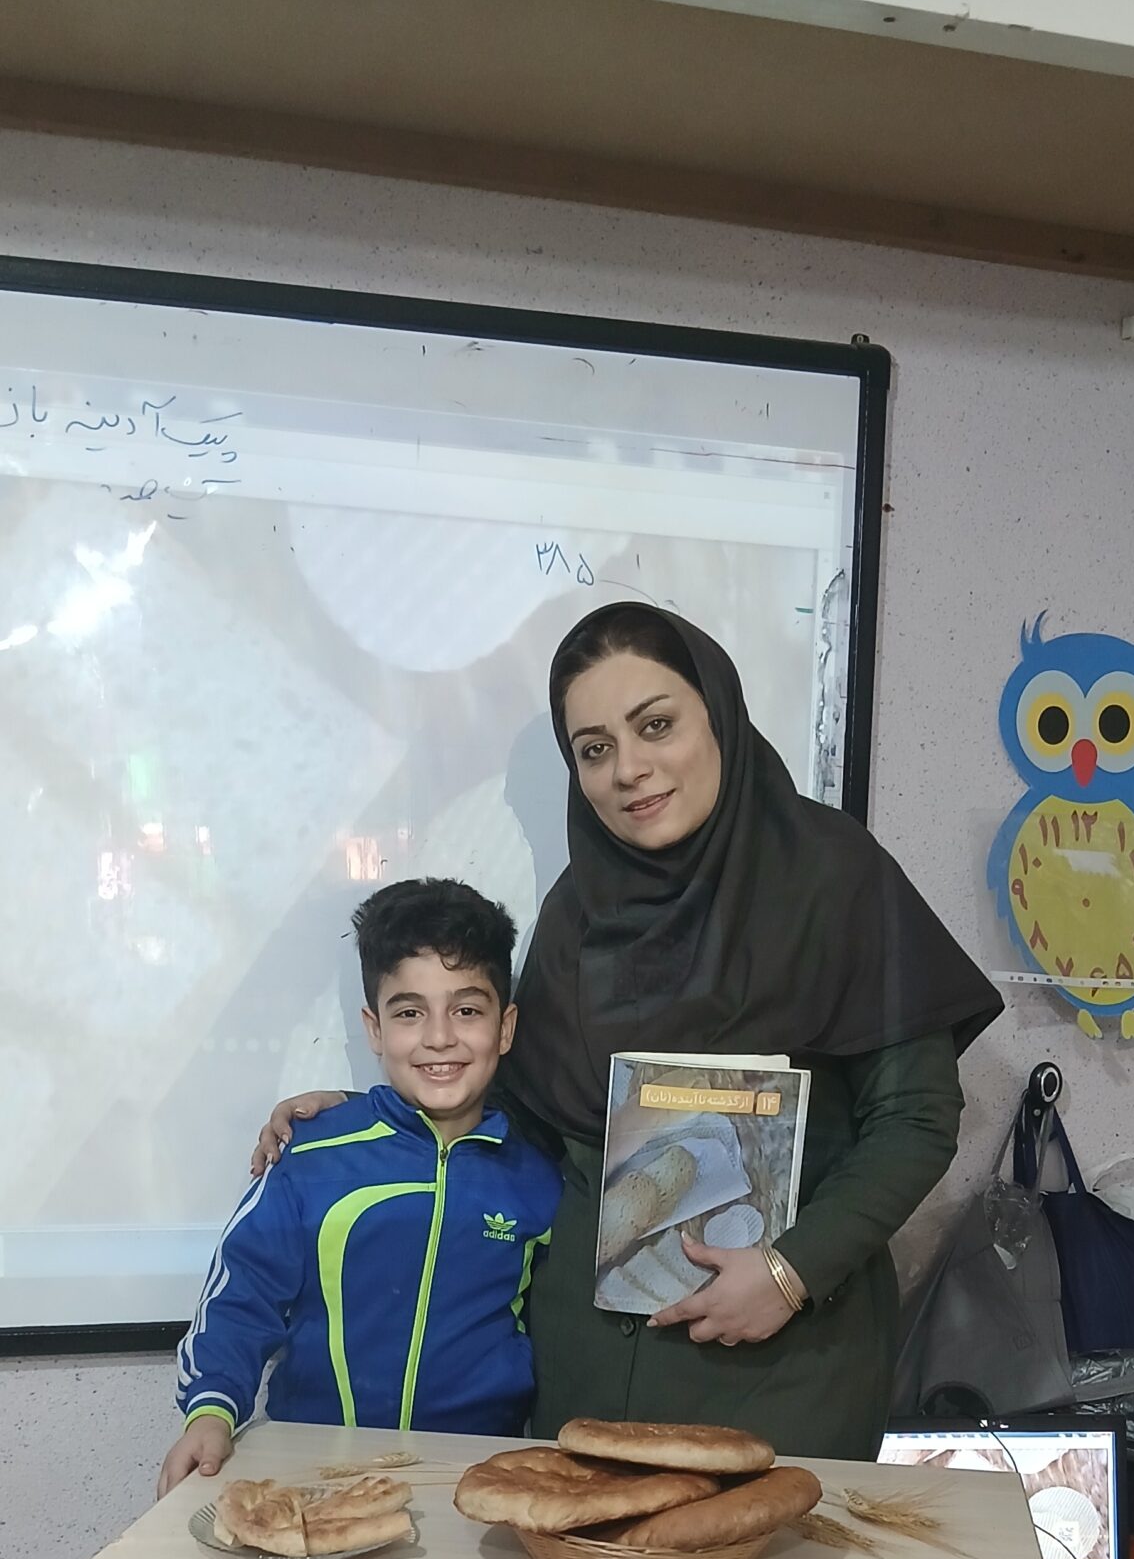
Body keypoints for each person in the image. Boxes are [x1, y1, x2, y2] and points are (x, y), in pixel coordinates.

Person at [253, 607, 1002, 1459]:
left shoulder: (835, 878)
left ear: (717, 714)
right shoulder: (579, 908)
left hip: (780, 1366)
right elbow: (523, 1117)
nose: (628, 770)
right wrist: (372, 1115)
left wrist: (791, 1273)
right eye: (594, 749)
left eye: (655, 726)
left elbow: (915, 1119)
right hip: (586, 1375)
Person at [157, 878, 561, 1495]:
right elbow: (241, 1294)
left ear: (505, 1028)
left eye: (467, 1010)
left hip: (474, 1481)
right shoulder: (311, 1154)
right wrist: (211, 1412)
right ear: (374, 1028)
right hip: (313, 1472)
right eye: (409, 1012)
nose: (439, 1037)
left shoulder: (539, 1177)